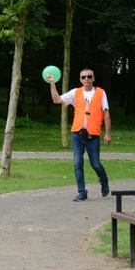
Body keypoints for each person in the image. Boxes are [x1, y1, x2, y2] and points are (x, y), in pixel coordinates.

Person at [48, 68, 111, 202]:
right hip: (77, 134)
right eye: (83, 77)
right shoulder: (75, 93)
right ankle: (82, 192)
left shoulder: (100, 93)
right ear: (80, 80)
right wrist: (52, 83)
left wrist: (108, 133)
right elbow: (56, 100)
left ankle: (104, 180)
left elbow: (106, 114)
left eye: (89, 77)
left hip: (93, 135)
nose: (86, 79)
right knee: (77, 163)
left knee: (96, 164)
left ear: (93, 78)